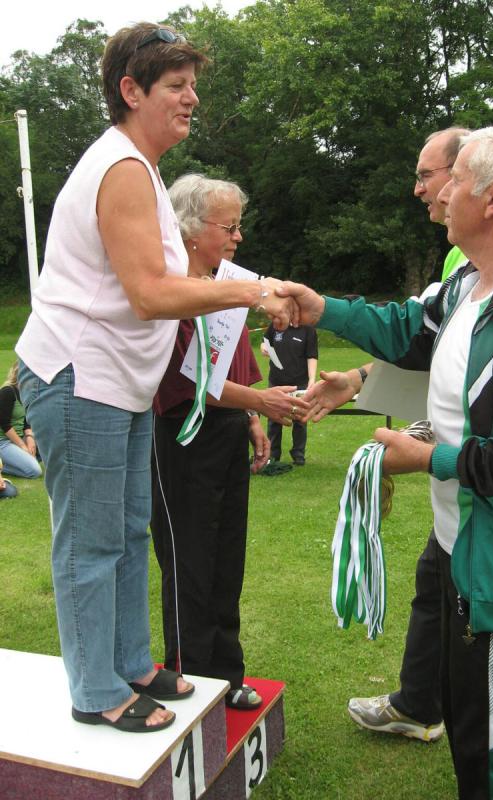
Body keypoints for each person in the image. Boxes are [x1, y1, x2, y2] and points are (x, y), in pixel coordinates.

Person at [280, 125, 493, 799]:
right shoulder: (472, 281)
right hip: (471, 554)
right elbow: (409, 331)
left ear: (492, 199)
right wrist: (324, 308)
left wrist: (428, 457)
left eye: (455, 179)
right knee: (473, 733)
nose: (440, 192)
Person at [15, 22, 295, 734]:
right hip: (80, 380)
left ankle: (134, 664)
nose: (192, 97)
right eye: (176, 85)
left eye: (192, 84)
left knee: (128, 532)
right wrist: (254, 291)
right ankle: (94, 690)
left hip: (118, 385)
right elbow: (149, 293)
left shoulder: (137, 167)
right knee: (90, 544)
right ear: (130, 91)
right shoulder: (121, 168)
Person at [152, 174, 309, 710]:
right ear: (191, 229)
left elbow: (233, 362)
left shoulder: (225, 284)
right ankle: (188, 673)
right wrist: (259, 401)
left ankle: (225, 673)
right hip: (181, 435)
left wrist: (251, 418)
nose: (239, 237)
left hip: (226, 432)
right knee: (190, 560)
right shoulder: (169, 287)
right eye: (230, 227)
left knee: (225, 557)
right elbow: (188, 379)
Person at [260, 324, 318, 465]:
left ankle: (298, 455)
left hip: (300, 382)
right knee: (274, 419)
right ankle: (273, 455)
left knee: (300, 420)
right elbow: (265, 342)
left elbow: (312, 355)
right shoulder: (276, 324)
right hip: (276, 381)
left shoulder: (308, 329)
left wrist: (312, 379)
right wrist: (263, 348)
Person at [0, 362, 42, 479]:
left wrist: (30, 437)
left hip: (18, 437)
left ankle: (17, 460)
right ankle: (2, 465)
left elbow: (26, 420)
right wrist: (22, 445)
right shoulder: (7, 392)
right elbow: (4, 424)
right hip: (3, 441)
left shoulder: (26, 393)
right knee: (34, 471)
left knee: (46, 446)